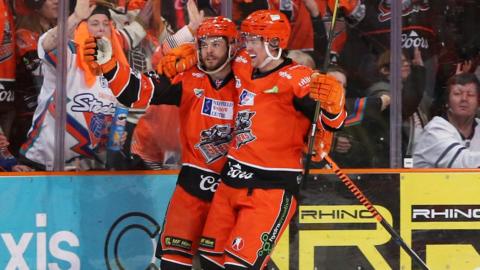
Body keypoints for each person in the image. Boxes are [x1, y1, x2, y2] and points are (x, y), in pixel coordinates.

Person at [196, 10, 346, 269]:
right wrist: (185, 50)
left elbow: (333, 122)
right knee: (209, 263)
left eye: (255, 40)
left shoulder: (299, 79)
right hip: (230, 182)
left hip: (270, 189)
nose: (248, 46)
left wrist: (334, 103)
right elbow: (212, 60)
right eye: (247, 39)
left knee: (239, 265)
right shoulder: (242, 63)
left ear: (275, 43)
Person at [86, 16, 240, 269]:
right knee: (172, 263)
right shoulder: (187, 78)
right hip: (191, 186)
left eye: (216, 44)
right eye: (203, 44)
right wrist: (109, 65)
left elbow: (282, 72)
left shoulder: (250, 81)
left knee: (226, 264)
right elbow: (135, 91)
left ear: (232, 47)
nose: (208, 51)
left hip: (232, 189)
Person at [19, 0, 142, 170]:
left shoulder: (118, 74)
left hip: (82, 171)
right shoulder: (69, 54)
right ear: (83, 27)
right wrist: (76, 17)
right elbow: (48, 45)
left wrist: (110, 139)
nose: (101, 28)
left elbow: (99, 132)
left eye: (106, 24)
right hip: (40, 163)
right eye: (94, 23)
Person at [413, 73, 480, 168]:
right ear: (447, 102)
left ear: (478, 102)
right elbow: (462, 164)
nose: (464, 99)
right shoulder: (434, 131)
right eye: (457, 94)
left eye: (470, 94)